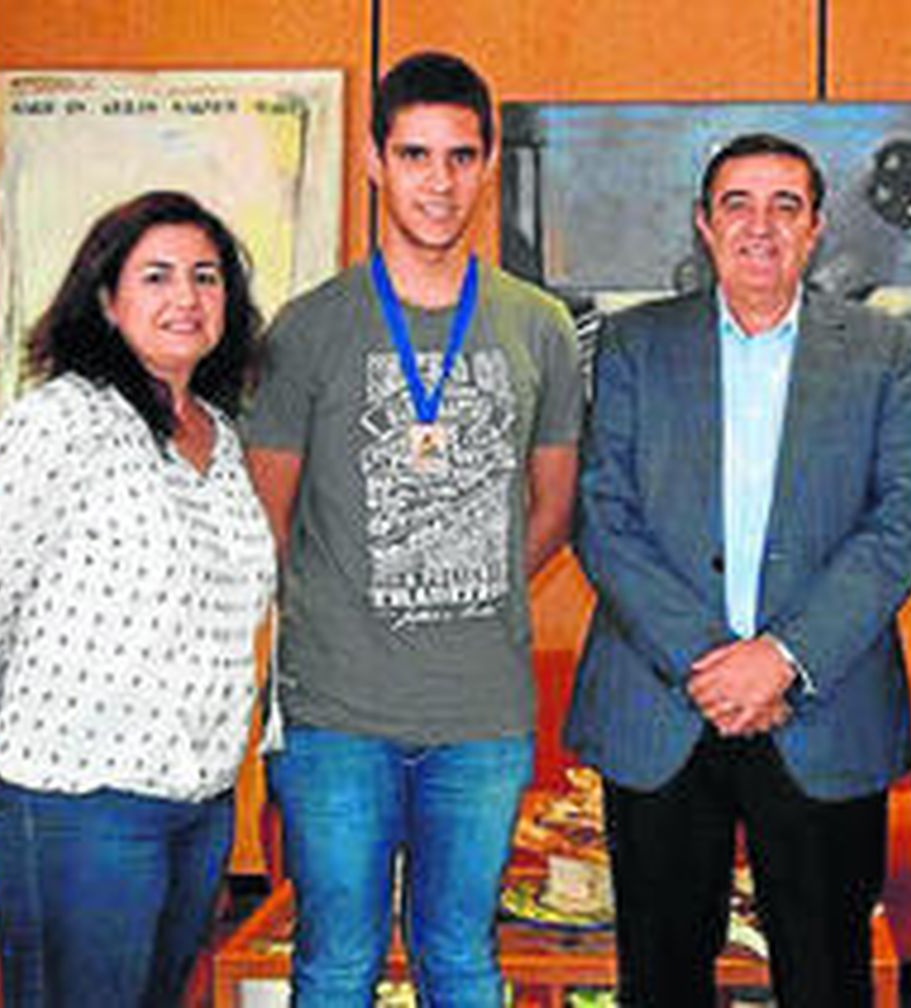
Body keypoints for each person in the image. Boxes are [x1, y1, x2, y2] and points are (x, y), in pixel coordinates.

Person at [243, 51, 581, 1007]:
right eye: (417, 154)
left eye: (462, 157)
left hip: (482, 716)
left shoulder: (539, 324)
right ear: (373, 161)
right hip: (337, 718)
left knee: (464, 961)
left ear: (486, 166)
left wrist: (471, 567)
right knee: (337, 963)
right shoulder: (307, 330)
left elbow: (555, 502)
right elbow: (267, 516)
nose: (440, 182)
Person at [567, 132, 911, 1007]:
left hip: (823, 707)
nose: (759, 226)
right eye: (737, 203)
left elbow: (902, 521)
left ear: (816, 229)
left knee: (827, 981)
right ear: (704, 224)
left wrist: (780, 658)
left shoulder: (888, 352)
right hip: (663, 710)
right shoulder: (633, 345)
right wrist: (713, 661)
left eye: (785, 206)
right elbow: (602, 516)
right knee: (659, 983)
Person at [0, 190, 275, 1007]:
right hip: (76, 800)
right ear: (107, 300)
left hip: (195, 804)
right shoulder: (64, 420)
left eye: (206, 276)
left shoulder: (221, 437)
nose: (185, 298)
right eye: (155, 276)